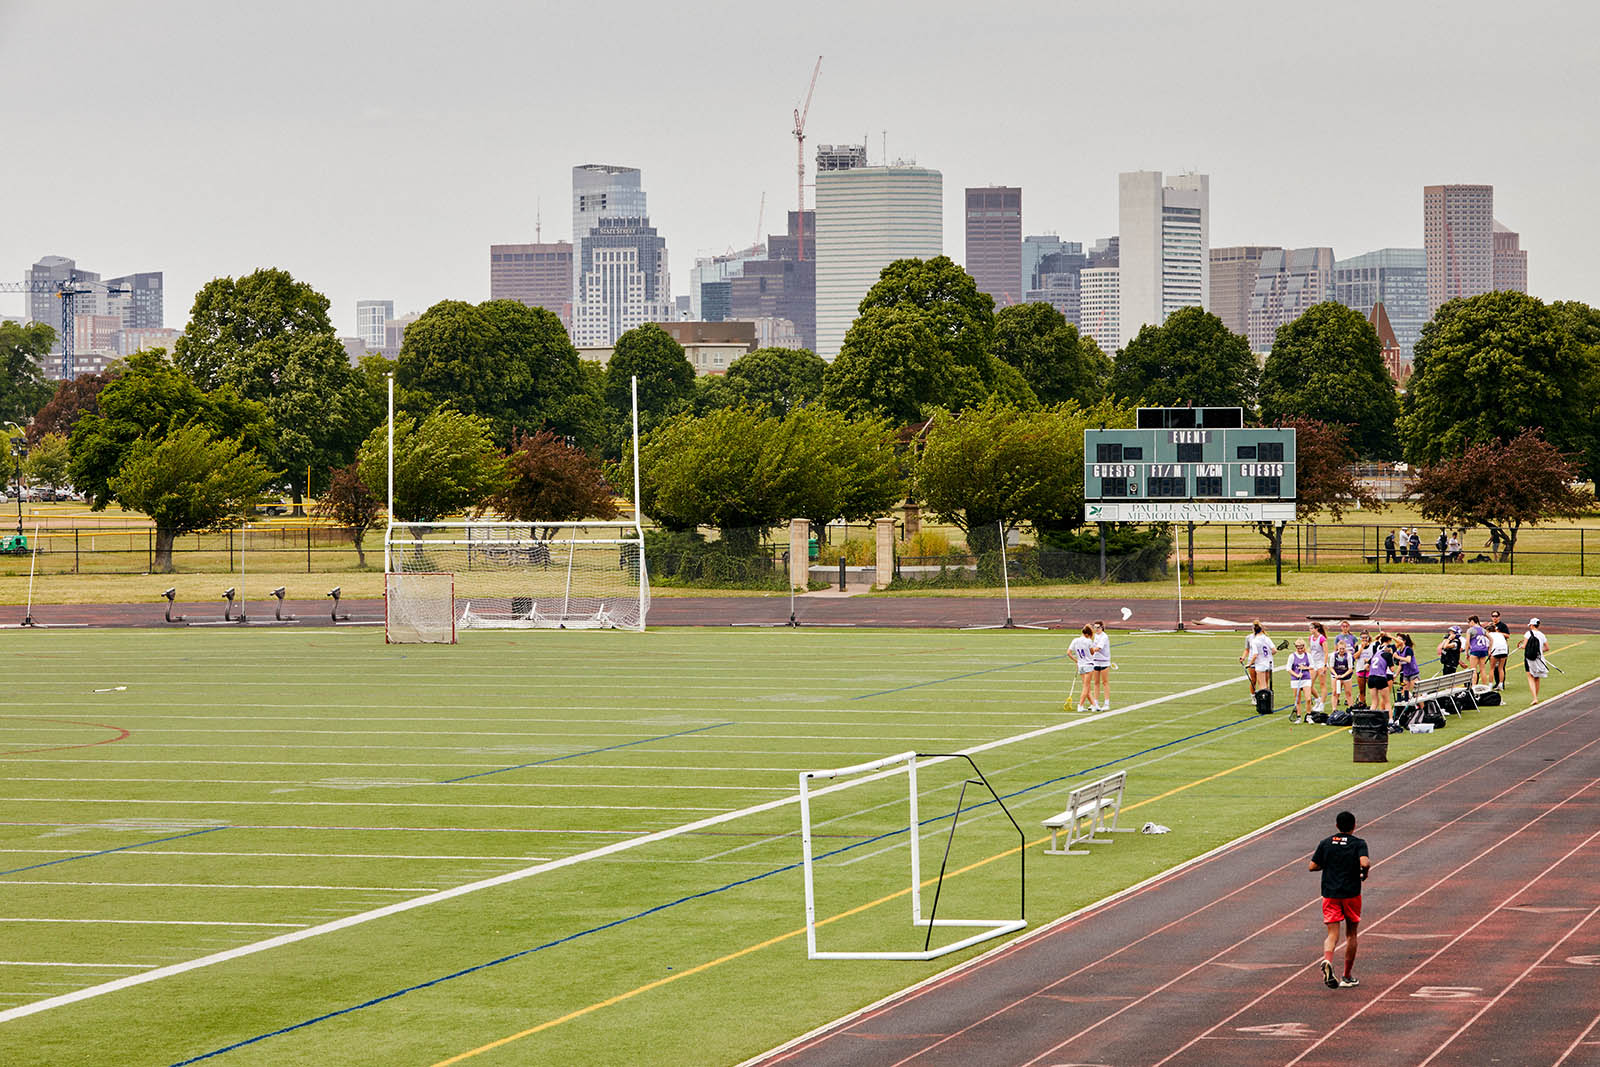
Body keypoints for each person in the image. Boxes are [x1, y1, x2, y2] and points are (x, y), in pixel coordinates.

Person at [1309, 810, 1370, 989]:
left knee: (1332, 935)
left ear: (1336, 825)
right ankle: (1347, 976)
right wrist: (1365, 871)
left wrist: (1328, 864)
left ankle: (1328, 960)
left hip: (1330, 893)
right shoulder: (1359, 843)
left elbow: (1312, 866)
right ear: (1354, 826)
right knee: (1351, 934)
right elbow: (1364, 862)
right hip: (1351, 894)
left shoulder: (1326, 843)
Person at [1516, 617, 1550, 705]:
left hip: (1529, 658)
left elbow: (1524, 646)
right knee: (1537, 677)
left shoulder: (1528, 633)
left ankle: (1534, 697)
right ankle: (1536, 697)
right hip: (1539, 658)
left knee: (1530, 677)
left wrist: (1519, 646)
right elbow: (1547, 648)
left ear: (1531, 625)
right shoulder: (1542, 635)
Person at [1240, 620, 1274, 703]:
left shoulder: (1264, 637)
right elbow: (1247, 650)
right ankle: (1254, 697)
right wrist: (1243, 657)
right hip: (1253, 660)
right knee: (1253, 680)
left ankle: (1264, 699)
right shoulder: (1249, 638)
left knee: (1263, 682)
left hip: (1261, 661)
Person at [1066, 625, 1096, 712]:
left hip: (1080, 666)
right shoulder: (1089, 641)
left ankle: (1094, 705)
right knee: (1086, 687)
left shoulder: (1075, 640)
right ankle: (1080, 705)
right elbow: (1092, 652)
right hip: (1088, 665)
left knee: (1086, 686)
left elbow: (1068, 653)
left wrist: (1076, 661)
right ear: (1087, 634)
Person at [1367, 633, 1394, 722]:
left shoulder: (1375, 654)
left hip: (1371, 678)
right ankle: (1390, 720)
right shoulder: (1388, 654)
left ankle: (1370, 721)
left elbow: (1366, 667)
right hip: (1380, 678)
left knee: (1374, 701)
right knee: (1387, 701)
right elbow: (1392, 669)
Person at [1090, 619, 1113, 711]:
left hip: (1104, 661)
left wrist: (1089, 651)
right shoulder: (1094, 636)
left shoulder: (1104, 637)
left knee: (1105, 682)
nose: (1096, 629)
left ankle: (1106, 703)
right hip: (1095, 661)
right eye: (1095, 627)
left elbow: (1098, 648)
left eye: (1098, 627)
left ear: (1102, 627)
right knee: (1096, 683)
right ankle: (1095, 702)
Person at [1288, 639, 1313, 723]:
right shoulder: (1292, 656)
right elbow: (1288, 669)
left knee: (1308, 698)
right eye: (1298, 648)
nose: (1300, 650)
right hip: (1296, 680)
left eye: (1301, 648)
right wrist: (1296, 675)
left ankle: (1309, 716)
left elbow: (1312, 666)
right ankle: (1298, 717)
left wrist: (1305, 668)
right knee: (1297, 700)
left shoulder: (1308, 655)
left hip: (1306, 678)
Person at [1307, 621, 1329, 713]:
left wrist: (1324, 665)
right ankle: (1317, 699)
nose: (1310, 630)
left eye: (1312, 628)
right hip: (1313, 663)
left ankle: (1322, 704)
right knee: (1309, 685)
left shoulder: (1322, 638)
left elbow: (1326, 652)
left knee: (1322, 684)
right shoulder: (1310, 638)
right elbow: (1311, 650)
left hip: (1320, 663)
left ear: (1316, 629)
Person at [1329, 638, 1355, 712]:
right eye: (1340, 648)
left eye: (1343, 648)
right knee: (1335, 692)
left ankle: (1351, 709)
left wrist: (1343, 676)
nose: (1341, 650)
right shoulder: (1334, 655)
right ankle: (1334, 709)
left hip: (1346, 677)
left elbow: (1350, 669)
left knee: (1348, 693)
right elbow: (1331, 667)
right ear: (1337, 648)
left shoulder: (1348, 656)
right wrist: (1336, 675)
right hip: (1336, 677)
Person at [1465, 615, 1490, 687]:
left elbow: (1467, 642)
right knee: (1483, 669)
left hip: (1475, 650)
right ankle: (1485, 686)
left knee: (1473, 670)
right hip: (1483, 650)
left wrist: (1466, 652)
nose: (1468, 624)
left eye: (1469, 622)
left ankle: (1473, 686)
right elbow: (1491, 639)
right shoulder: (1483, 629)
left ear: (1472, 621)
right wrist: (1489, 649)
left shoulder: (1470, 630)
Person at [1489, 610, 1511, 690]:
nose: (1494, 618)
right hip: (1496, 648)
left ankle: (1501, 684)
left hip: (1500, 648)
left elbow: (1508, 635)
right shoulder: (1490, 625)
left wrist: (1498, 633)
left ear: (1499, 617)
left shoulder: (1503, 626)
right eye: (1493, 616)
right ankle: (1497, 683)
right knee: (1495, 668)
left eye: (1496, 616)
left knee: (1500, 668)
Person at [1395, 633, 1420, 701]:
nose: (1397, 641)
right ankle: (1408, 708)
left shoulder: (1408, 649)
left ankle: (1422, 709)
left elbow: (1408, 660)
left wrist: (1397, 657)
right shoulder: (1399, 651)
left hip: (1413, 674)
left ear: (1404, 641)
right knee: (1404, 692)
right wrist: (1395, 675)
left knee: (1416, 693)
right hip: (1406, 674)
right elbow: (1400, 665)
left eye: (1399, 639)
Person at [1354, 631, 1374, 705]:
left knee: (1372, 690)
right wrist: (1361, 648)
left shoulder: (1372, 646)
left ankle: (1373, 705)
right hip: (1360, 670)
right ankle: (1362, 704)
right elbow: (1355, 657)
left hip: (1370, 670)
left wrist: (1369, 662)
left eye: (1366, 637)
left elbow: (1375, 657)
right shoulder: (1358, 647)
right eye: (1362, 638)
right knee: (1361, 691)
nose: (1364, 639)